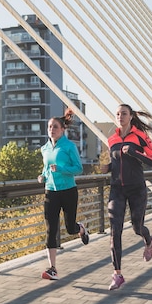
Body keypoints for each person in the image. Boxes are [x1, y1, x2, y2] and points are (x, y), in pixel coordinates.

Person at [100, 104, 152, 290]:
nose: (120, 116)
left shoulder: (141, 137)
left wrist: (135, 152)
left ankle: (148, 240)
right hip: (117, 188)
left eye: (124, 113)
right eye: (117, 113)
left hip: (136, 188)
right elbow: (117, 161)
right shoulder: (112, 139)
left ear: (131, 116)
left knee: (137, 227)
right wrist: (108, 168)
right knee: (114, 230)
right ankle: (117, 274)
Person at [38, 108, 89, 280]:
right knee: (50, 230)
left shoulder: (69, 147)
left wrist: (61, 169)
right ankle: (52, 268)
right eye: (50, 127)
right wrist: (42, 176)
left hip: (68, 191)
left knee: (69, 228)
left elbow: (78, 169)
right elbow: (46, 170)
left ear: (62, 130)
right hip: (50, 192)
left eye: (55, 127)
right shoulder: (44, 149)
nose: (52, 130)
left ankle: (80, 228)